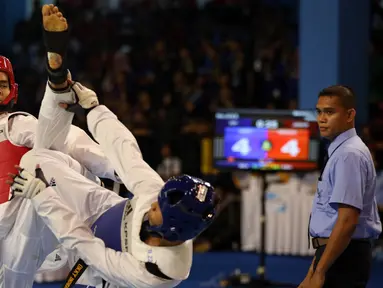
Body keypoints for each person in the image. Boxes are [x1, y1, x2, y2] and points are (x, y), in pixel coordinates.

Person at [6, 4, 219, 287]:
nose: (153, 201)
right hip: (105, 208)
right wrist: (95, 109)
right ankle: (57, 86)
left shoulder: (155, 272)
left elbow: (85, 245)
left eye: (156, 207)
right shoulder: (158, 196)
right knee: (38, 161)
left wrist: (43, 197)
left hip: (100, 264)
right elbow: (125, 152)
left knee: (42, 191)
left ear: (170, 228)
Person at [299, 85, 382, 288]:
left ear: (349, 115)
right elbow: (330, 218)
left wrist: (319, 271)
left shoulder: (348, 155)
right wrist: (314, 268)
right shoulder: (342, 150)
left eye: (330, 112)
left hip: (344, 257)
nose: (322, 118)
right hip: (337, 253)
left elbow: (347, 220)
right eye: (319, 111)